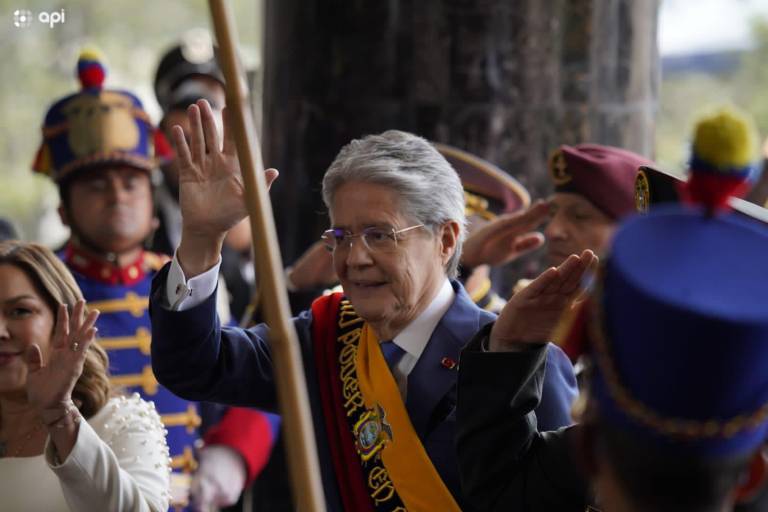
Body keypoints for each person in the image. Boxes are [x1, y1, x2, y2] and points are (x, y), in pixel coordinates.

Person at [148, 101, 582, 510]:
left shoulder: (518, 363)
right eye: (341, 237)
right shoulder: (321, 339)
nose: (354, 258)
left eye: (380, 235)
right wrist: (203, 239)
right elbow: (194, 366)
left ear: (446, 240)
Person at [456, 110, 768, 512]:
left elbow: (500, 489)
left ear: (588, 450)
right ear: (754, 473)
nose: (555, 231)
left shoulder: (610, 435)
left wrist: (509, 350)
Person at [31, 50, 274, 510]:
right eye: (97, 185)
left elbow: (251, 381)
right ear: (64, 209)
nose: (117, 197)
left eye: (131, 183)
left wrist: (232, 456)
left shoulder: (193, 278)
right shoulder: (40, 287)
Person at [0, 240, 170, 511]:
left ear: (62, 321)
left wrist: (59, 416)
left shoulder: (120, 422)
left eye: (20, 311)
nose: (1, 330)